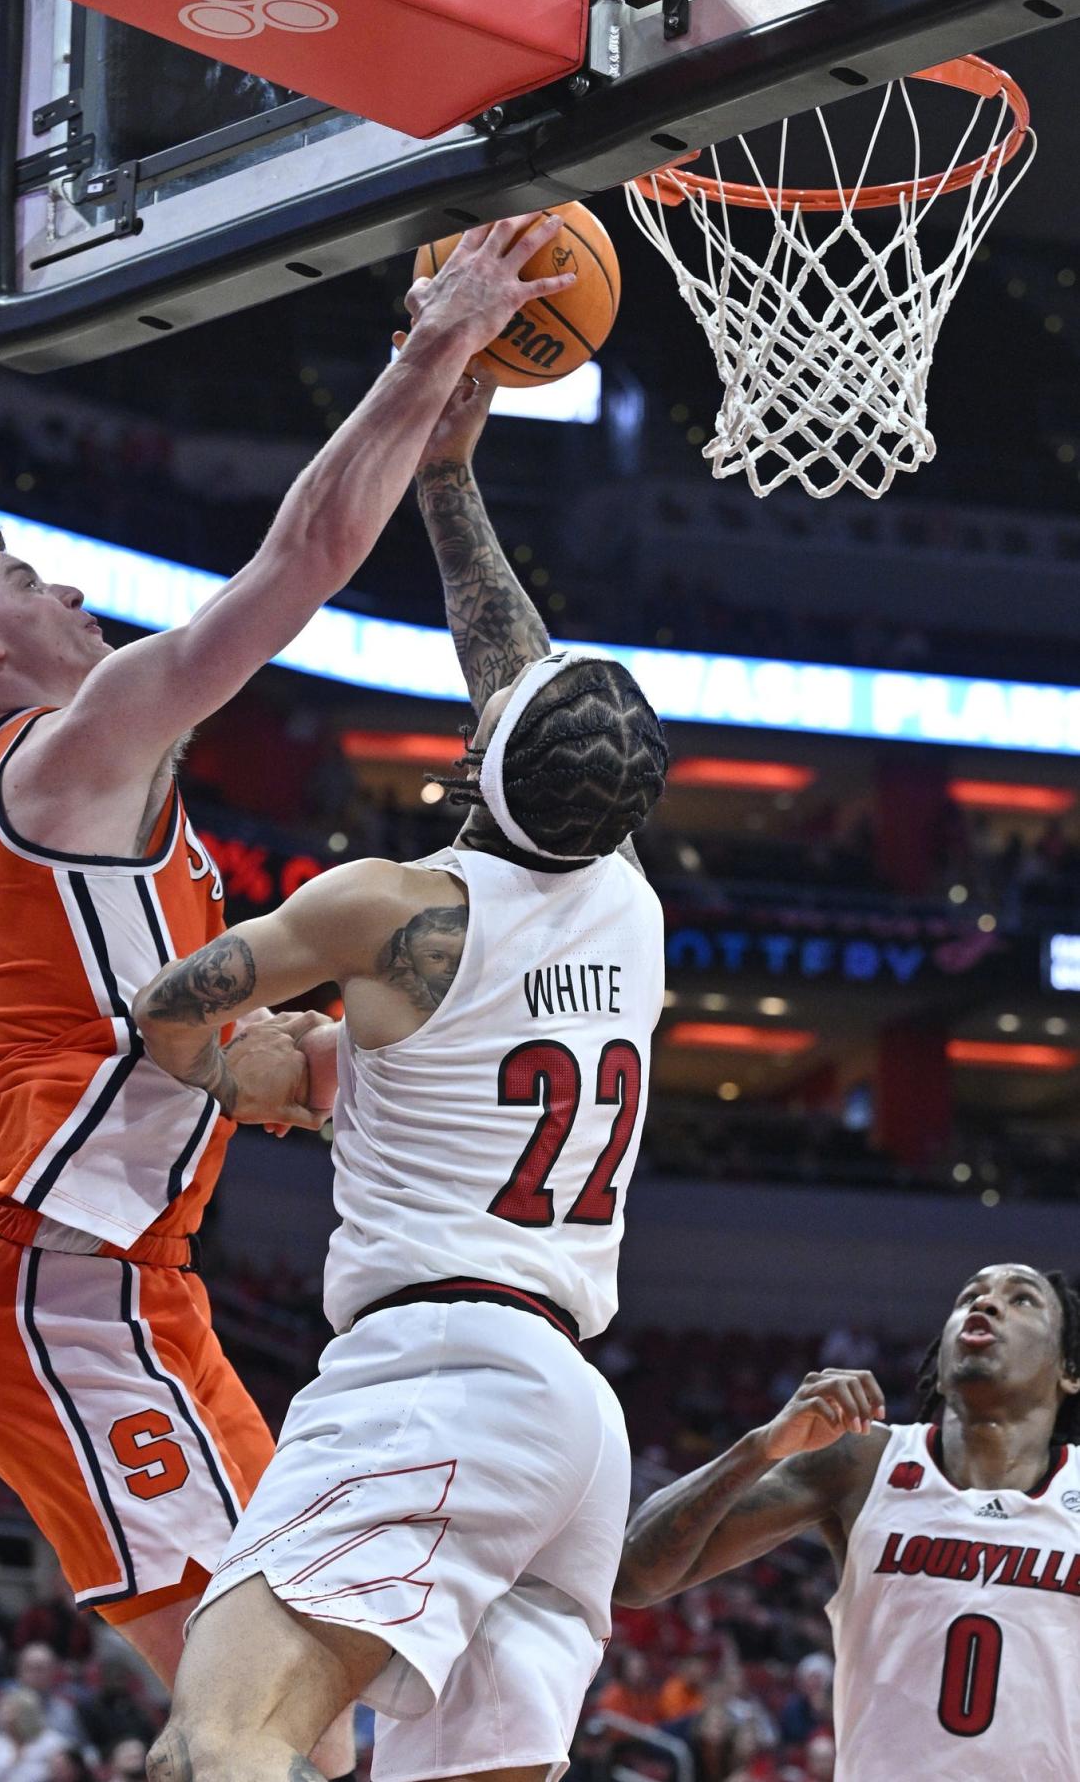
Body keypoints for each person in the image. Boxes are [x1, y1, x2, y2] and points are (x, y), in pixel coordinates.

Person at [0, 214, 574, 1707]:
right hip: (67, 1286)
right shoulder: (55, 759)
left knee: (305, 1700)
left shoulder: (143, 831)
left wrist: (358, 1067)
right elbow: (301, 559)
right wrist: (434, 336)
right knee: (264, 1715)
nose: (72, 596)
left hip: (133, 1286)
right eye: (37, 590)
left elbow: (219, 1063)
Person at [131, 354, 670, 1782]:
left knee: (218, 1742)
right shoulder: (624, 896)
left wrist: (236, 1072)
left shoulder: (400, 906)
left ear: (477, 764)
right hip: (570, 1420)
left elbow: (165, 1007)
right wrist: (444, 474)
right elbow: (516, 674)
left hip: (435, 1376)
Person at [616, 1261, 1080, 1778]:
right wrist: (761, 1447)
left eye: (1022, 1300)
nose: (986, 1304)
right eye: (970, 1295)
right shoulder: (862, 1463)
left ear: (1068, 1370)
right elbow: (632, 1574)